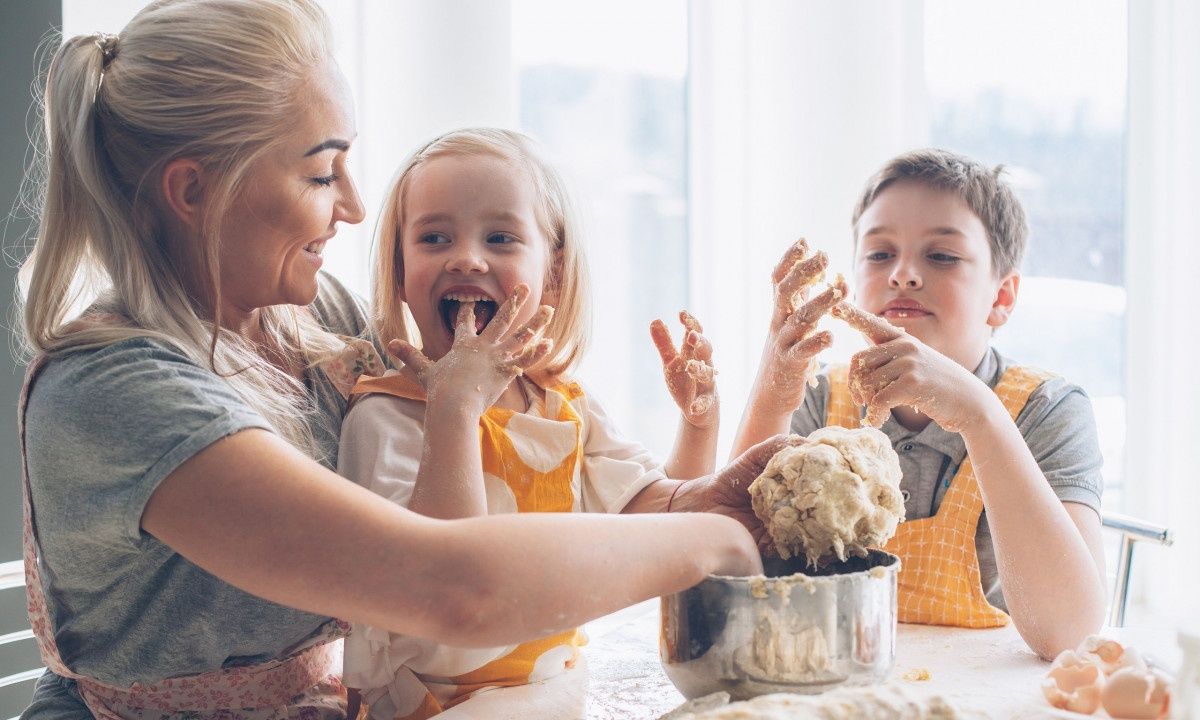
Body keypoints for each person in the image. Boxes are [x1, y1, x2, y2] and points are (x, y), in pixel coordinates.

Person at [14, 3, 782, 719]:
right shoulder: (115, 393)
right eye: (320, 173)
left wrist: (704, 487)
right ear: (193, 190)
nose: (352, 206)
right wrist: (720, 535)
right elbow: (448, 588)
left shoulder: (311, 320)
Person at [335, 127, 724, 719]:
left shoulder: (563, 405)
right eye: (434, 237)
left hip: (551, 689)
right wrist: (457, 408)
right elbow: (441, 586)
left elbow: (658, 522)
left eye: (500, 237)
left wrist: (700, 428)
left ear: (556, 273)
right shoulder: (384, 415)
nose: (466, 257)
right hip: (433, 704)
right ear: (399, 269)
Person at [732, 149, 1107, 660]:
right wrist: (774, 388)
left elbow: (1068, 635)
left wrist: (979, 413)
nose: (904, 275)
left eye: (942, 256)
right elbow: (732, 567)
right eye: (880, 254)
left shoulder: (1047, 410)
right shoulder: (819, 399)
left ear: (1003, 297)